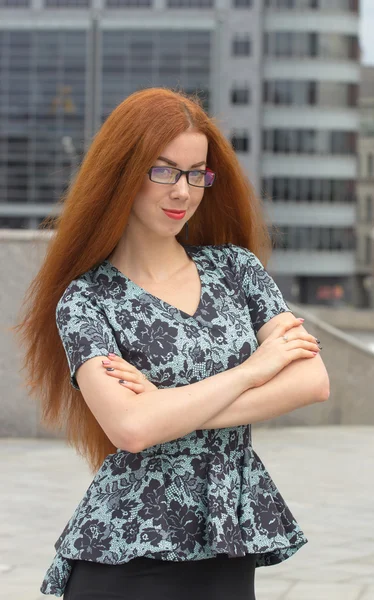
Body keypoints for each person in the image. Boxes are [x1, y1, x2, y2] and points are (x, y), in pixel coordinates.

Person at [14, 87, 329, 599]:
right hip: (125, 554)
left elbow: (312, 380)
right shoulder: (87, 300)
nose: (182, 191)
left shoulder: (236, 270)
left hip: (226, 536)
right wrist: (251, 370)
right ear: (122, 175)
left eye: (195, 173)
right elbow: (133, 428)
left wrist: (169, 406)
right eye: (162, 171)